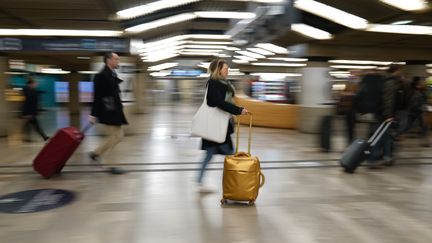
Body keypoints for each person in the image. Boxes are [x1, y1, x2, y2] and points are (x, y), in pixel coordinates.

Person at [197, 58, 249, 192]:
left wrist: (235, 111)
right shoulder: (214, 83)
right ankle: (236, 185)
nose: (228, 70)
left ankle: (200, 182)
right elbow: (219, 103)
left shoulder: (222, 83)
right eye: (226, 68)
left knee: (212, 154)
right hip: (216, 126)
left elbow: (225, 102)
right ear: (218, 70)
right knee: (230, 155)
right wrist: (238, 110)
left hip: (219, 126)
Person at [89, 52, 128, 175]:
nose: (118, 62)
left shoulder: (112, 74)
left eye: (118, 59)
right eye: (116, 59)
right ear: (108, 60)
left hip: (115, 110)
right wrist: (93, 114)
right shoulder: (101, 76)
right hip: (108, 111)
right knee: (115, 136)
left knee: (119, 136)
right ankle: (110, 165)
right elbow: (97, 97)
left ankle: (96, 153)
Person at [368, 64, 405, 168]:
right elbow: (388, 100)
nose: (401, 73)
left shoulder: (387, 80)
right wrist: (388, 115)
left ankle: (387, 157)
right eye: (400, 71)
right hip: (383, 114)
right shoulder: (390, 82)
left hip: (383, 113)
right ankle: (372, 161)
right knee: (379, 137)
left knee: (387, 137)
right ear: (396, 70)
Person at [21, 77, 50, 142]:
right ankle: (44, 137)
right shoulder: (29, 91)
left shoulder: (29, 90)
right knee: (35, 125)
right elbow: (28, 102)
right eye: (35, 83)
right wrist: (29, 113)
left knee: (29, 125)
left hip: (30, 112)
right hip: (30, 112)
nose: (36, 84)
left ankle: (27, 138)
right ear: (31, 84)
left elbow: (35, 95)